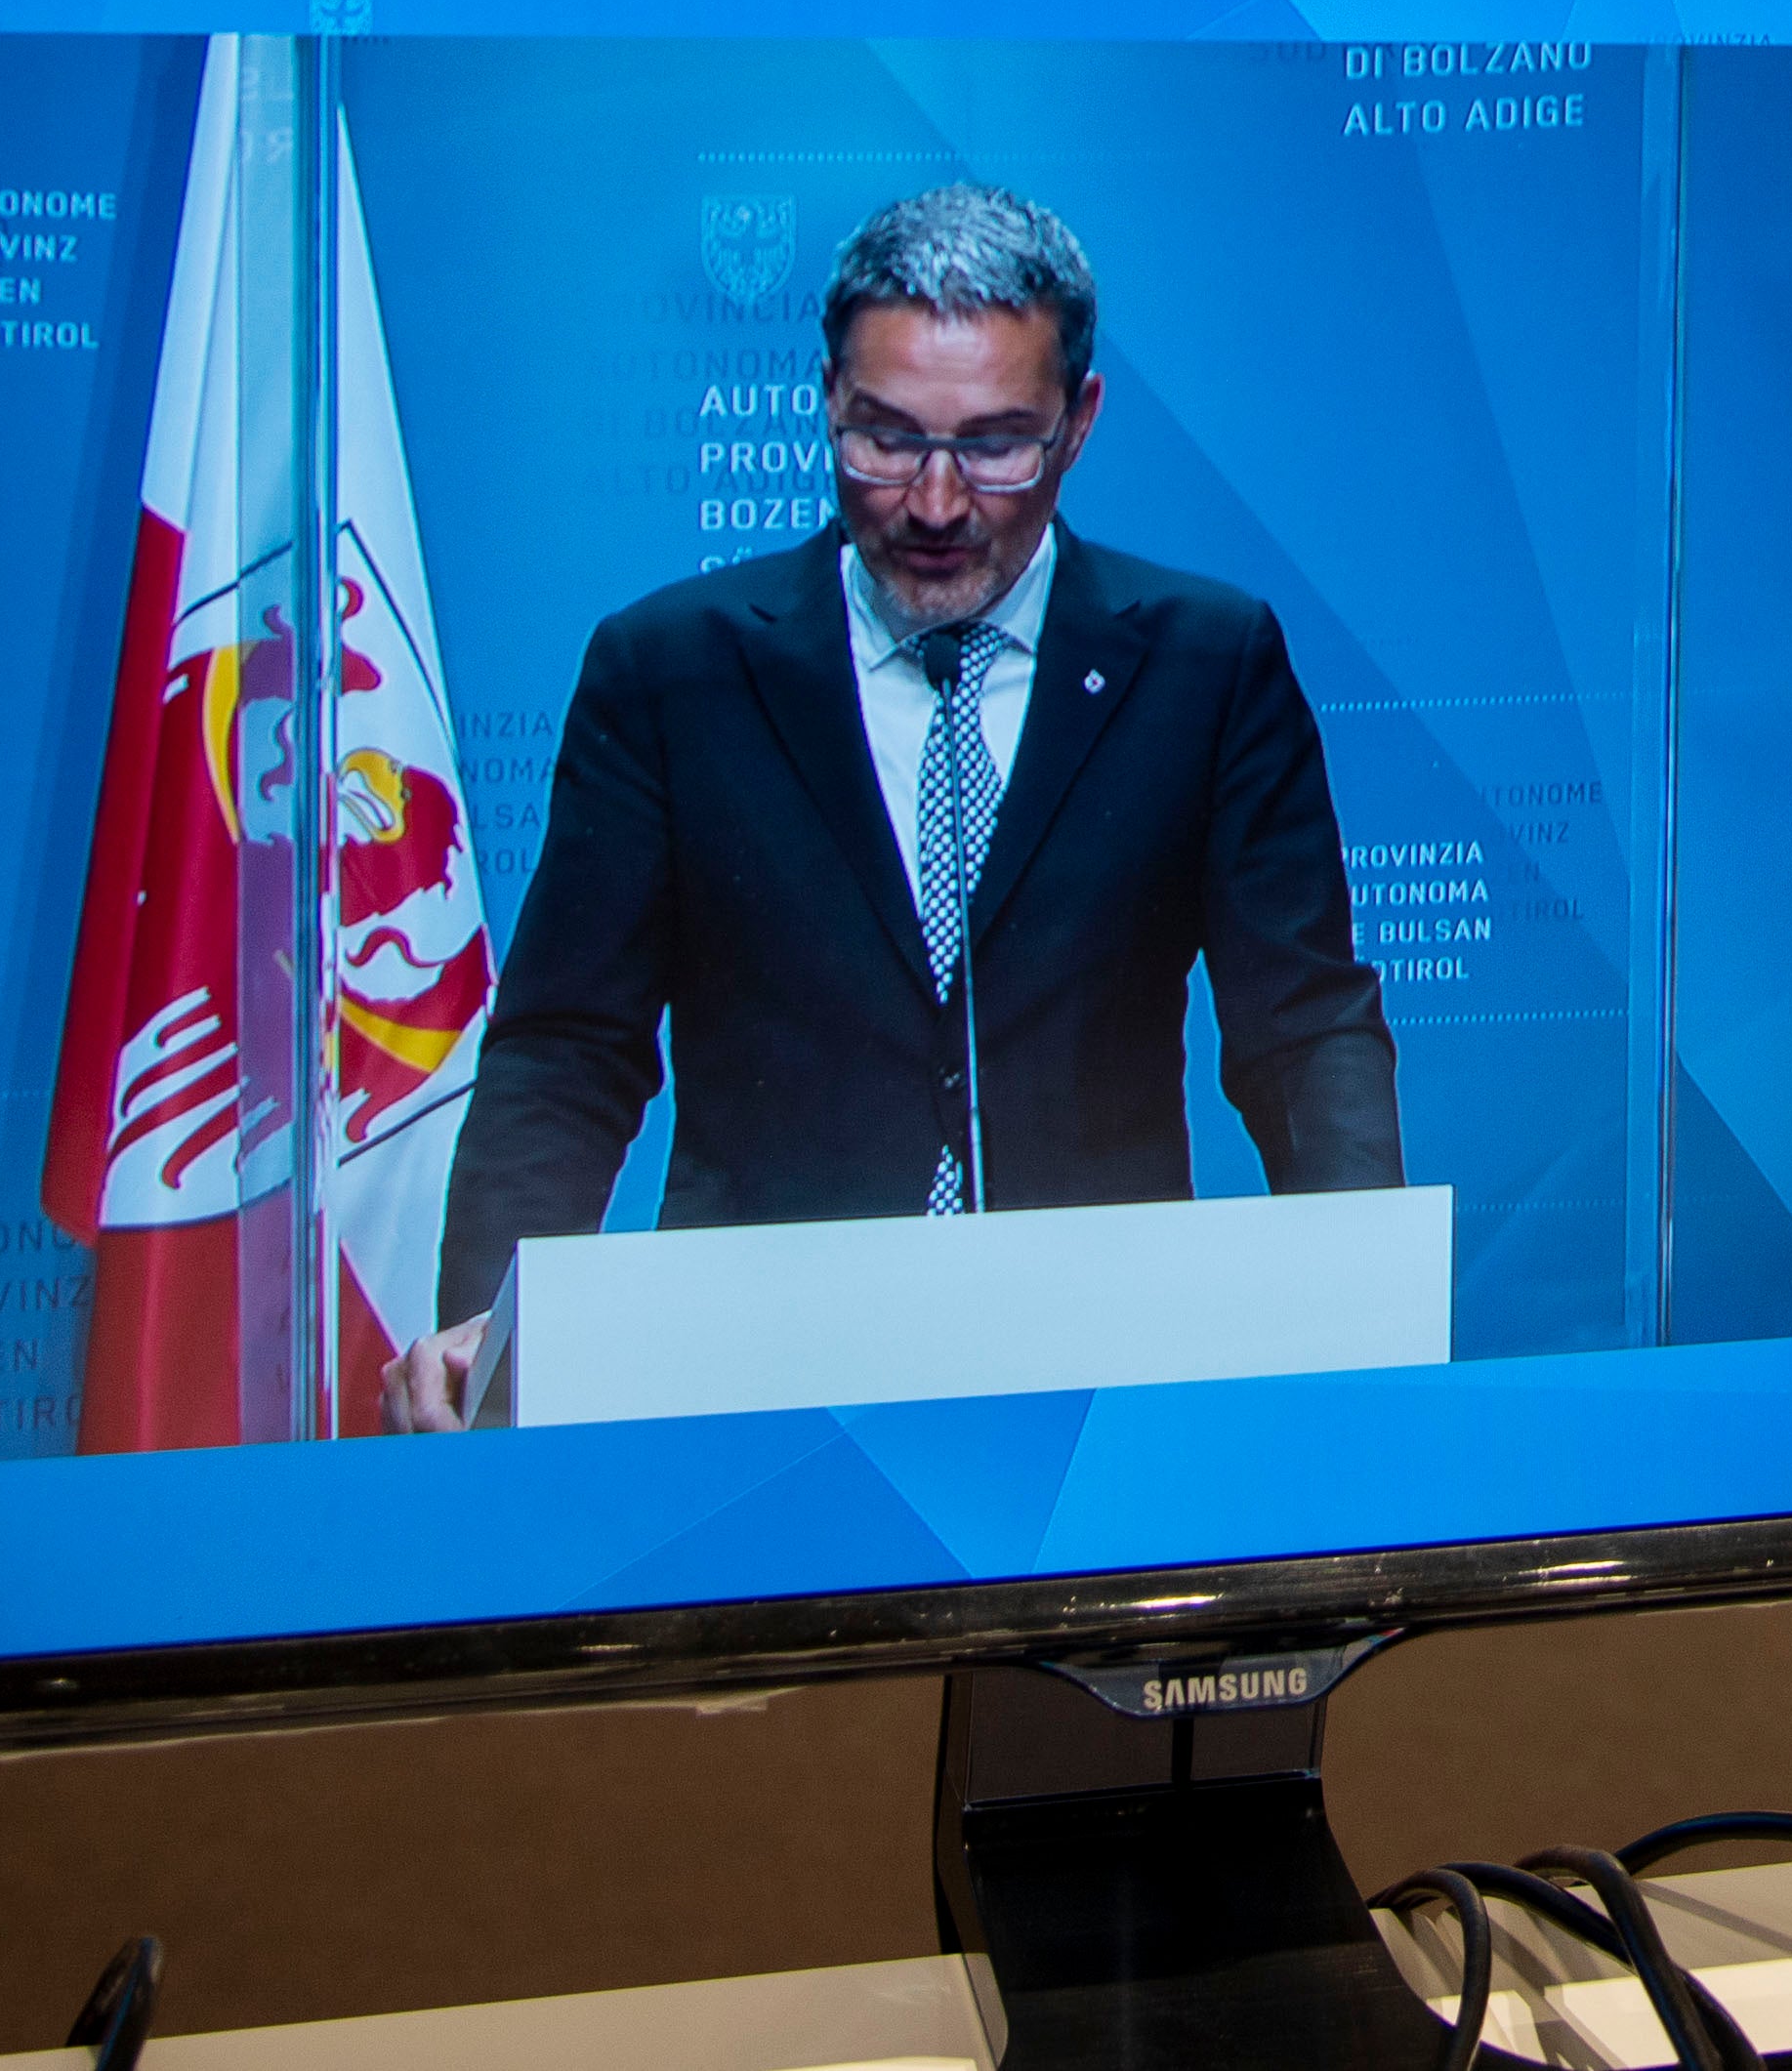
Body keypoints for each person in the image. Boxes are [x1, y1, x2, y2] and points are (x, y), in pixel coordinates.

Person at [389, 185, 1396, 1426]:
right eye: (886, 438)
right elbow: (565, 1050)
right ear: (826, 398)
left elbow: (1302, 1026)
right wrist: (489, 1330)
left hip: (1098, 1376)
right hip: (751, 1383)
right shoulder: (670, 670)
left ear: (1079, 421)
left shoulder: (1205, 663)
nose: (933, 502)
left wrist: (1365, 1309)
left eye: (994, 444)